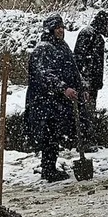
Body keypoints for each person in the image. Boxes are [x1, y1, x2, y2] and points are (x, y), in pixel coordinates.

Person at [26, 14, 83, 182]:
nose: (60, 30)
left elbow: (73, 70)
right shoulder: (43, 49)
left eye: (62, 27)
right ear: (50, 29)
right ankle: (48, 169)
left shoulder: (62, 47)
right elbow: (44, 75)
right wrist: (63, 88)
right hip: (44, 101)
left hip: (57, 100)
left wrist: (80, 88)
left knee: (55, 134)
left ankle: (50, 166)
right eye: (57, 27)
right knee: (49, 135)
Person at [73, 10, 108, 142]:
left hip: (92, 84)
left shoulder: (96, 36)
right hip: (86, 84)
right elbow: (80, 60)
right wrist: (84, 84)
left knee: (89, 112)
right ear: (103, 23)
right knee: (85, 113)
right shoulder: (88, 34)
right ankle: (84, 140)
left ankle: (88, 138)